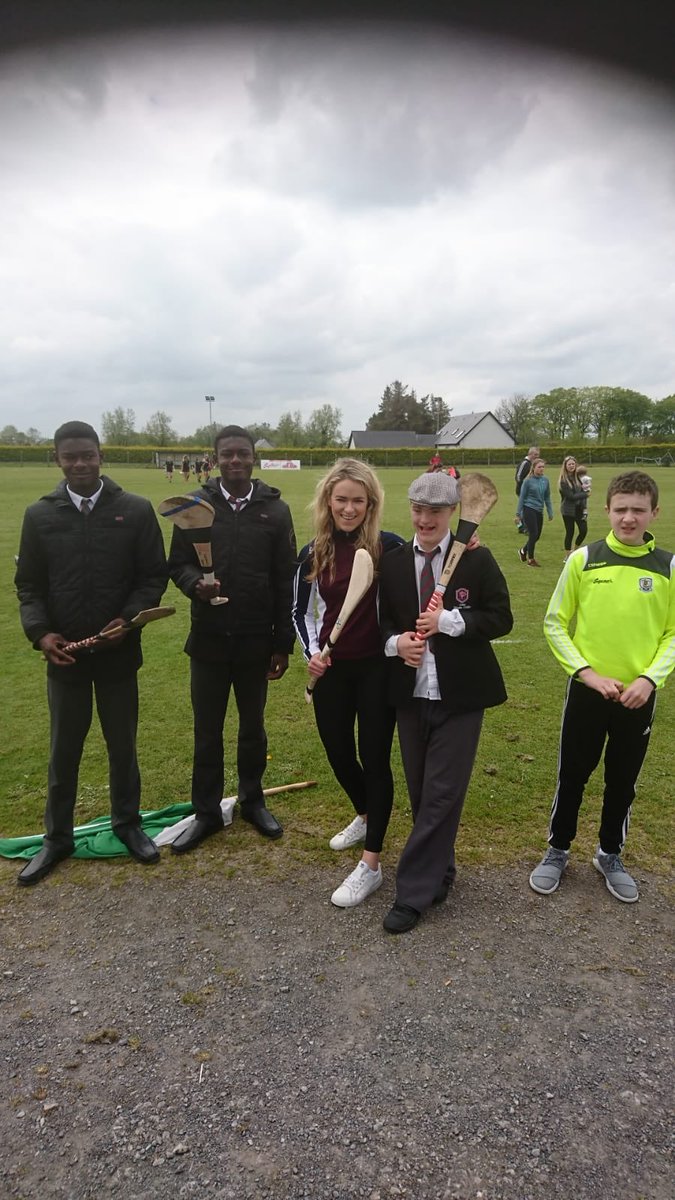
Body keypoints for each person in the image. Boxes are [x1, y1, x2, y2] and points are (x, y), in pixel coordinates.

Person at [14, 420, 168, 886]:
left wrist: (129, 618)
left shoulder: (135, 510)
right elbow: (29, 586)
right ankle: (56, 838)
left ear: (101, 455)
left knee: (122, 747)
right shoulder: (40, 516)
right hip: (66, 659)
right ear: (57, 459)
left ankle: (127, 824)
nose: (80, 463)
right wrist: (42, 635)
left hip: (119, 657)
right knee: (64, 752)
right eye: (70, 456)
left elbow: (151, 577)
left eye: (88, 455)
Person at [530, 471, 674, 904]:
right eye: (620, 509)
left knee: (623, 780)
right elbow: (555, 624)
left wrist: (649, 679)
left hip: (638, 698)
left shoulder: (667, 566)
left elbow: (672, 634)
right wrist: (587, 673)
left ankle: (610, 854)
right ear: (607, 511)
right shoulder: (583, 560)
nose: (628, 518)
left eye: (638, 510)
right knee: (572, 774)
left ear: (654, 512)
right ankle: (557, 850)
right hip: (587, 692)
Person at [378, 472, 513, 933]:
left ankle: (412, 893)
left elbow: (501, 617)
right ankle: (441, 871)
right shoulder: (393, 563)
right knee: (421, 792)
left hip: (461, 697)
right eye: (418, 508)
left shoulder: (477, 560)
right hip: (411, 697)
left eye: (435, 510)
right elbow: (379, 625)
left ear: (452, 512)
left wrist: (452, 622)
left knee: (440, 795)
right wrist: (398, 644)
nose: (424, 518)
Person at [167, 425, 297, 852]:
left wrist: (283, 643)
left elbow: (285, 580)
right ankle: (206, 813)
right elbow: (178, 564)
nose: (235, 460)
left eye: (243, 453)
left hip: (256, 640)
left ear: (253, 457)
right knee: (207, 731)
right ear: (215, 457)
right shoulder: (195, 506)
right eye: (228, 454)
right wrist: (194, 586)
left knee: (252, 728)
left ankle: (252, 801)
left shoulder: (275, 511)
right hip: (207, 639)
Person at [292, 459, 404, 908]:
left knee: (373, 756)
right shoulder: (311, 552)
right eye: (342, 499)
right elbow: (299, 612)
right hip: (334, 669)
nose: (350, 508)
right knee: (338, 751)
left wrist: (467, 545)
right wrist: (311, 654)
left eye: (359, 500)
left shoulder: (390, 548)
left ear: (370, 503)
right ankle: (365, 812)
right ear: (328, 501)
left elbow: (433, 559)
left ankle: (371, 865)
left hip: (378, 669)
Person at [516, 458, 554, 566]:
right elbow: (522, 497)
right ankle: (531, 559)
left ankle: (523, 550)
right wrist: (518, 513)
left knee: (537, 536)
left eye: (543, 467)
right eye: (539, 467)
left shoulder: (545, 480)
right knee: (533, 533)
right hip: (529, 509)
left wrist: (550, 511)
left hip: (539, 509)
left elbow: (547, 497)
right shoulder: (527, 481)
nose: (542, 469)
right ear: (534, 468)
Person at [558, 454, 588, 560]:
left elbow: (583, 493)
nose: (571, 466)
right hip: (568, 510)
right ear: (565, 466)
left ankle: (574, 551)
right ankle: (567, 556)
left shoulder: (579, 479)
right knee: (570, 532)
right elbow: (571, 496)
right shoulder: (563, 481)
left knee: (583, 530)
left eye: (573, 464)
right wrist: (585, 494)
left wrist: (585, 508)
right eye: (569, 464)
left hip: (579, 509)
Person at [515, 446, 539, 533]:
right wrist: (523, 488)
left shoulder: (532, 464)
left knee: (524, 509)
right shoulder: (525, 463)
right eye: (535, 454)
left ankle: (521, 526)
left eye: (538, 455)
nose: (537, 456)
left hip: (529, 491)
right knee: (526, 510)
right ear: (530, 454)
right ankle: (525, 527)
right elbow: (518, 476)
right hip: (522, 490)